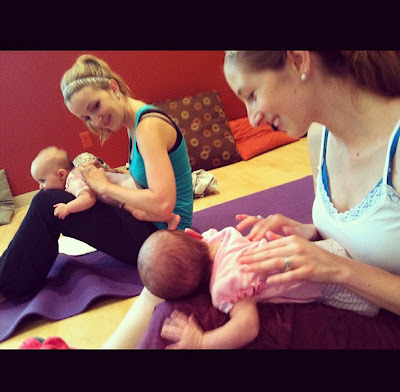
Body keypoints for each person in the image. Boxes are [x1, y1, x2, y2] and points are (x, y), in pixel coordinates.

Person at [0, 53, 193, 349]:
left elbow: (163, 205)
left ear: (113, 87)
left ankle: (7, 284)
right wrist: (110, 179)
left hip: (163, 239)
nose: (96, 120)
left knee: (46, 204)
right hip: (152, 227)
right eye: (87, 117)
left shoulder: (147, 126)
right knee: (54, 200)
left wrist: (105, 187)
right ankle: (9, 277)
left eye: (95, 106)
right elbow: (147, 186)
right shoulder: (136, 124)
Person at [218, 51, 400, 329]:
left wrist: (337, 268)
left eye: (252, 95)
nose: (252, 119)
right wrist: (311, 234)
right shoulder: (319, 138)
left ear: (298, 60)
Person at [137, 227, 378, 349]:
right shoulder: (221, 237)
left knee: (374, 308)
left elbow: (247, 327)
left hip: (331, 284)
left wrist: (202, 342)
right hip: (329, 248)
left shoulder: (226, 283)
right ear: (194, 235)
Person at [30, 145, 181, 228]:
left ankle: (169, 217)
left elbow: (88, 199)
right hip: (126, 184)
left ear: (61, 174)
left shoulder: (72, 180)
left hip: (124, 193)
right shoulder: (79, 172)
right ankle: (168, 216)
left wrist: (68, 208)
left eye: (42, 180)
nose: (40, 186)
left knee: (139, 214)